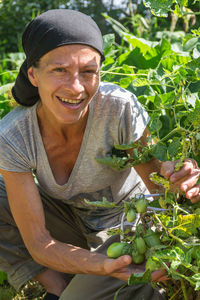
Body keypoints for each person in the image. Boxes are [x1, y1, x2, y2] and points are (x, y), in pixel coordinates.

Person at [0, 9, 199, 300]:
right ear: (33, 74)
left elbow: (160, 190)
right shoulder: (14, 135)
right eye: (59, 70)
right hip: (73, 227)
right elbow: (40, 242)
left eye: (88, 71)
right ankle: (59, 291)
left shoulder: (119, 109)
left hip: (129, 229)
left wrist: (178, 177)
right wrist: (104, 266)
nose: (76, 87)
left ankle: (133, 285)